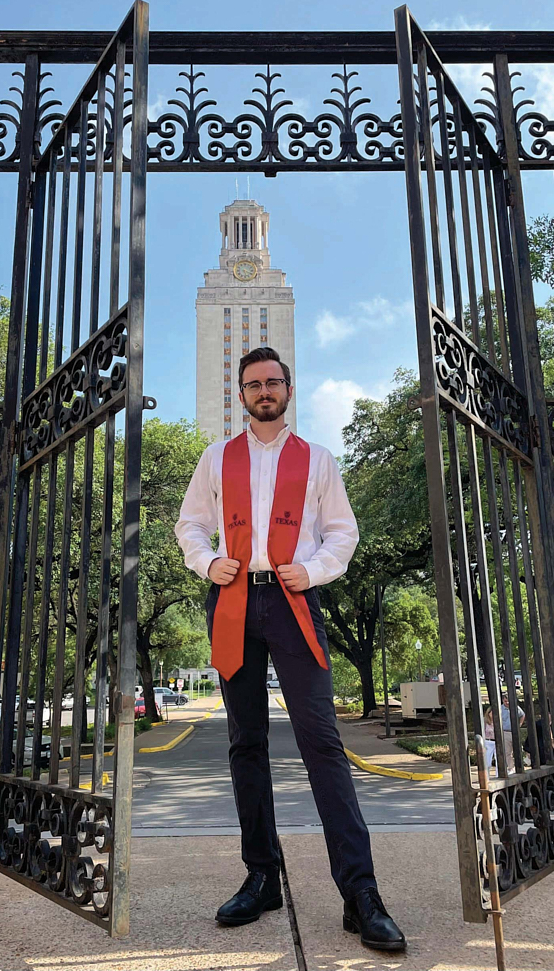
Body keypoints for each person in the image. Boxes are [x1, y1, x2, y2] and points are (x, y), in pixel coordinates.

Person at [176, 347, 406, 953]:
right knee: (245, 743)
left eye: (273, 382)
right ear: (242, 394)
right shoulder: (216, 458)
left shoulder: (318, 459)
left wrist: (314, 569)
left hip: (293, 602)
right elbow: (189, 526)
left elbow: (342, 533)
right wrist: (207, 561)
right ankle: (261, 877)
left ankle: (361, 893)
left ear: (287, 388)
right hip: (232, 603)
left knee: (322, 743)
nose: (263, 391)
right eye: (253, 384)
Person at [501, 693, 525, 773]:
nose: (507, 703)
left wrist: (520, 724)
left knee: (518, 749)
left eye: (508, 701)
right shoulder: (500, 708)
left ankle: (520, 766)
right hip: (505, 732)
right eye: (505, 701)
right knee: (507, 752)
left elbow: (522, 715)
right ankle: (511, 768)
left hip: (514, 732)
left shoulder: (515, 707)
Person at [483, 706, 496, 774]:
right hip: (488, 741)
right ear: (488, 713)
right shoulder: (485, 721)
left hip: (497, 742)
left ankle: (498, 775)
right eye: (492, 713)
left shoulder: (498, 721)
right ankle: (486, 776)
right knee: (487, 761)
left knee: (499, 760)